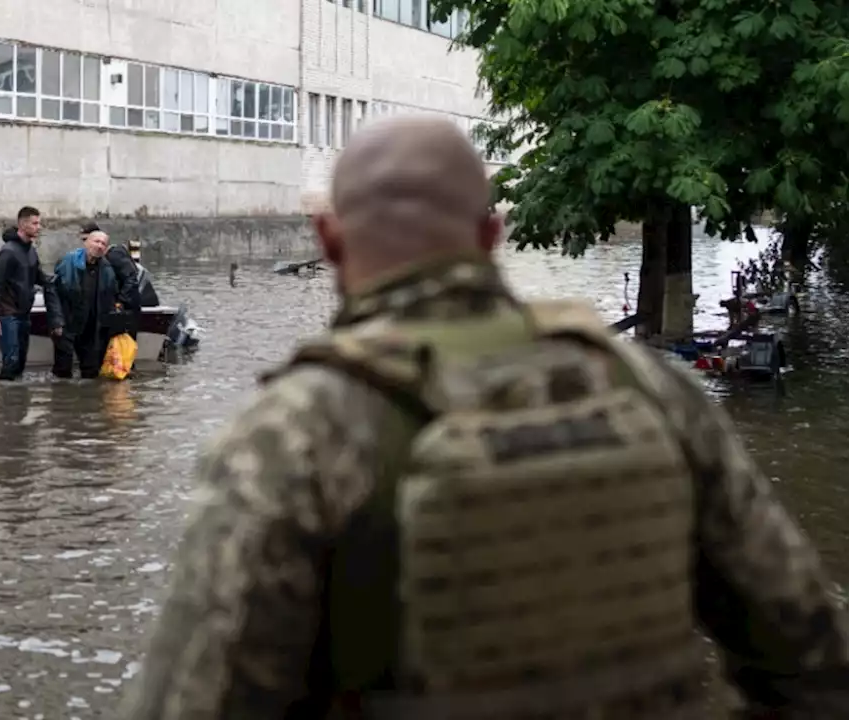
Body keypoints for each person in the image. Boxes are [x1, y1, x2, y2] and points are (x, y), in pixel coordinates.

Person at [122, 116, 850, 719]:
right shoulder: (650, 390)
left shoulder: (294, 438)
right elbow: (811, 658)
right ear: (492, 235)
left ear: (330, 241)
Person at [0, 206, 63, 381]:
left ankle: (17, 403)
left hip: (24, 315)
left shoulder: (31, 251)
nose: (39, 227)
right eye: (35, 223)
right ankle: (5, 397)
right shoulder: (8, 252)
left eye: (39, 223)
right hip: (8, 315)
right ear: (22, 224)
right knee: (11, 361)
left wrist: (62, 281)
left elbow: (40, 278)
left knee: (20, 362)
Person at [52, 229, 138, 378]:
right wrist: (56, 320)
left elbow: (112, 296)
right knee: (63, 368)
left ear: (105, 249)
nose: (99, 246)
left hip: (92, 326)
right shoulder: (68, 262)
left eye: (103, 243)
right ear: (86, 242)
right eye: (96, 241)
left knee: (91, 371)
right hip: (68, 322)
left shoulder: (107, 269)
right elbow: (53, 291)